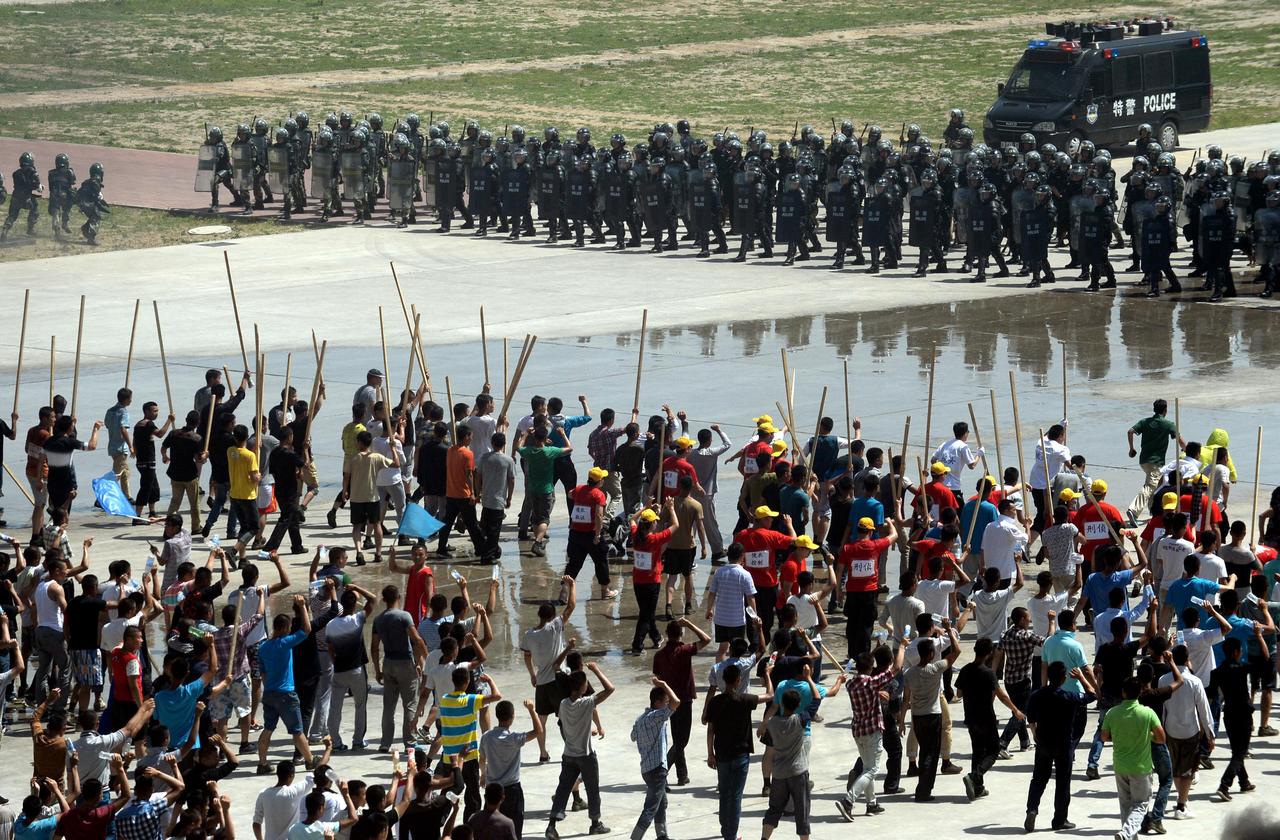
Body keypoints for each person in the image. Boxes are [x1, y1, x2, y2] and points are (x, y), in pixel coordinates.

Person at [1024, 661, 1098, 833]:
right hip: (1064, 744)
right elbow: (1092, 695)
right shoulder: (1069, 697)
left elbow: (1031, 718)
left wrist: (1035, 734)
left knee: (1038, 779)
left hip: (1043, 742)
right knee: (1063, 783)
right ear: (1064, 678)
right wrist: (1081, 677)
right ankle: (1059, 820)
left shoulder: (1037, 695)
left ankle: (1032, 809)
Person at [545, 661, 614, 839]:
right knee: (592, 790)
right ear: (582, 686)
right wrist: (597, 670)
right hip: (585, 755)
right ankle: (595, 823)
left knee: (562, 789)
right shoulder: (586, 703)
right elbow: (610, 689)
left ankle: (552, 826)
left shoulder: (563, 704)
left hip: (568, 754)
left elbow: (570, 724)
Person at [836, 641, 905, 820]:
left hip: (858, 730)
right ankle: (848, 801)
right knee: (872, 770)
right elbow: (896, 667)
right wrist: (903, 646)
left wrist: (870, 654)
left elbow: (866, 667)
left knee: (868, 767)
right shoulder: (872, 683)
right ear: (871, 666)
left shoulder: (850, 685)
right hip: (872, 730)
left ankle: (871, 803)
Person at [955, 637, 1026, 801]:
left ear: (975, 650)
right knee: (993, 751)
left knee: (978, 751)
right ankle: (975, 776)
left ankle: (978, 788)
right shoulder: (988, 673)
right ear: (989, 654)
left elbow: (958, 693)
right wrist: (1015, 710)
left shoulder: (965, 670)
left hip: (971, 718)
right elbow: (1001, 695)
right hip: (986, 718)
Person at [255, 594, 316, 774]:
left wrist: (271, 686)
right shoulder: (285, 643)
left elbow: (264, 673)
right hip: (286, 694)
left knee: (268, 728)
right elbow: (307, 629)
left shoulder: (263, 647)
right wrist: (303, 606)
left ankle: (262, 763)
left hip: (270, 693)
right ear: (285, 628)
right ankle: (310, 760)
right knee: (297, 731)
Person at [902, 620, 961, 802]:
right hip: (932, 715)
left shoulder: (909, 673)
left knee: (925, 752)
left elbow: (906, 699)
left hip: (917, 717)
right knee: (931, 754)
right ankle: (923, 791)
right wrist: (950, 630)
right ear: (930, 654)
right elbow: (956, 651)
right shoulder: (936, 669)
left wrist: (900, 721)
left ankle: (922, 784)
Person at [1100, 677, 1167, 840]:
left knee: (1125, 805)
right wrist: (1148, 736)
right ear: (1140, 692)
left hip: (1120, 766)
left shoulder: (1112, 713)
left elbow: (1103, 737)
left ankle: (1128, 835)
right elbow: (1161, 738)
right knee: (1141, 805)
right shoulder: (1147, 713)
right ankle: (1126, 833)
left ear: (1123, 692)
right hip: (1141, 768)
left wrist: (1118, 737)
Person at [521, 576, 575, 761]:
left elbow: (527, 656)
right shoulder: (554, 627)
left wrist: (532, 675)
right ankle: (571, 749)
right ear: (552, 617)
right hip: (557, 679)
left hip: (542, 681)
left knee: (541, 719)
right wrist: (572, 585)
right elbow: (571, 607)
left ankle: (543, 753)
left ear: (539, 615)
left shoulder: (529, 634)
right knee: (565, 717)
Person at [652, 617, 711, 785]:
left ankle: (682, 775)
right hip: (684, 700)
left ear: (667, 634)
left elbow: (657, 679)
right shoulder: (685, 650)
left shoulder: (659, 655)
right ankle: (661, 773)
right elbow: (706, 639)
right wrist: (690, 623)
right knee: (682, 741)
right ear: (681, 633)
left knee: (678, 739)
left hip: (669, 701)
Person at [371, 584, 428, 752]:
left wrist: (377, 669)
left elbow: (374, 647)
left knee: (388, 706)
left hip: (388, 663)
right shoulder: (404, 616)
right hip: (405, 663)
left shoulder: (378, 620)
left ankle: (385, 743)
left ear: (383, 600)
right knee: (409, 704)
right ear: (399, 597)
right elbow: (417, 640)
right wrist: (425, 659)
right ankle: (409, 743)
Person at [479, 699, 542, 838]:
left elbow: (482, 759)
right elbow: (538, 731)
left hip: (492, 789)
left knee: (490, 828)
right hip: (512, 789)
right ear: (512, 717)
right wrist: (532, 710)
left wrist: (483, 775)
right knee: (514, 830)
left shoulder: (486, 737)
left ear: (497, 716)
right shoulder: (514, 739)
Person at [629, 677, 679, 840]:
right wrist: (664, 684)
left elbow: (633, 736)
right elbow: (676, 702)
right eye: (665, 701)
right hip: (657, 768)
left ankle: (662, 835)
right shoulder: (657, 717)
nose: (667, 703)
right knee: (650, 807)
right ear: (657, 702)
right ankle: (635, 838)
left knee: (661, 803)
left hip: (647, 768)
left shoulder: (641, 718)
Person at [760, 687, 812, 840]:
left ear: (782, 703)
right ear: (798, 705)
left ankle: (764, 838)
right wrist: (809, 678)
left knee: (774, 810)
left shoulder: (772, 723)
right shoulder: (801, 719)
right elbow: (816, 701)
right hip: (798, 772)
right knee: (802, 811)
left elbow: (768, 745)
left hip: (779, 774)